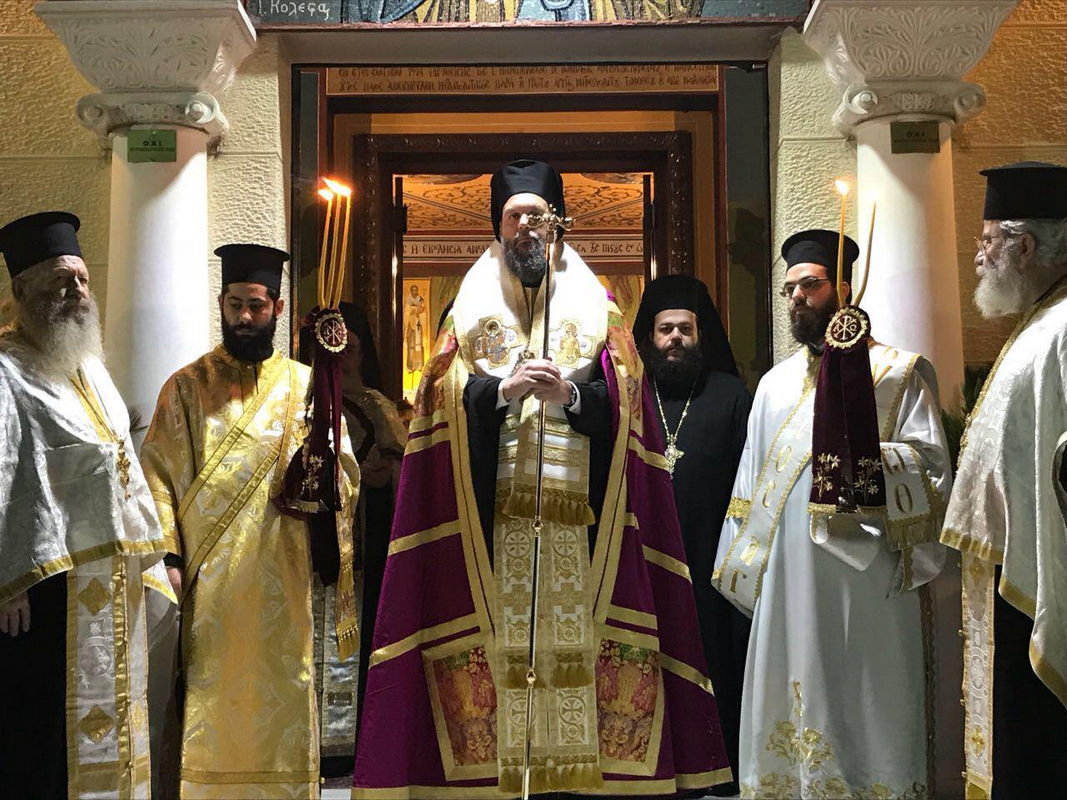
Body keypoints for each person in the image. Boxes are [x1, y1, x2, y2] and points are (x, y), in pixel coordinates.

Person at [352, 159, 730, 798]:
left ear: (557, 224)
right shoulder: (466, 307)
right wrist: (500, 391)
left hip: (583, 521)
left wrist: (572, 397)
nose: (525, 227)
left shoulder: (599, 306)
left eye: (536, 215)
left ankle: (581, 781)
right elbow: (436, 393)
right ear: (497, 227)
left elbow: (629, 395)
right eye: (513, 217)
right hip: (491, 518)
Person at [715, 229, 951, 799]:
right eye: (790, 288)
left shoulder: (898, 373)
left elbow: (932, 471)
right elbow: (748, 484)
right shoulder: (772, 386)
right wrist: (743, 565)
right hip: (788, 578)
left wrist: (865, 460)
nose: (797, 297)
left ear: (845, 289)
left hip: (865, 573)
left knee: (864, 687)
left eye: (811, 285)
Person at [140, 243, 360, 798]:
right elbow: (157, 475)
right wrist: (169, 556)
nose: (243, 316)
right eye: (234, 304)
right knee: (209, 691)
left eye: (256, 306)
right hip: (209, 582)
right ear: (221, 302)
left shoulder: (308, 385)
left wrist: (323, 479)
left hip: (283, 570)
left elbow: (344, 476)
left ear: (278, 309)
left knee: (285, 684)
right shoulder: (185, 387)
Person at [0, 211, 167, 798]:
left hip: (107, 581)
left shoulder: (88, 368)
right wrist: (6, 582)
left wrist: (150, 557)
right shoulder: (7, 372)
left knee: (115, 716)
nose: (76, 291)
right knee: (44, 731)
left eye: (82, 279)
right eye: (60, 280)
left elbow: (122, 463)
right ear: (23, 290)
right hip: (44, 586)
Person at [940, 161, 1067, 798]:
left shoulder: (1061, 328)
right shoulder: (1040, 320)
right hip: (1012, 561)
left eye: (988, 240)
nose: (979, 255)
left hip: (1040, 563)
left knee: (1036, 740)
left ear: (1025, 246)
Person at [633, 275, 751, 794]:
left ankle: (718, 770)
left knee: (714, 662)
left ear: (701, 335)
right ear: (650, 337)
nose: (675, 338)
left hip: (711, 560)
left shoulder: (731, 395)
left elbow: (750, 480)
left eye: (685, 328)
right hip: (644, 559)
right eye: (666, 330)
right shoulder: (632, 395)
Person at [314, 301, 406, 779]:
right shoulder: (302, 401)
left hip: (366, 541)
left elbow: (405, 471)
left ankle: (356, 740)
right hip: (314, 544)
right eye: (337, 348)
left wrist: (383, 475)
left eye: (352, 348)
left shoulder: (377, 405)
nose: (345, 357)